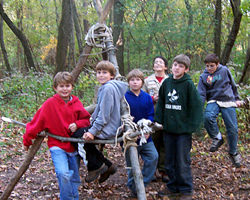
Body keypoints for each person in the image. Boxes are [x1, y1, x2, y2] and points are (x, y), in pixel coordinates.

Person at [23, 72, 91, 200]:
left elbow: (86, 120)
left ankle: (73, 197)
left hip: (73, 144)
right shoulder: (49, 104)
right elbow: (36, 123)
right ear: (55, 88)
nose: (65, 89)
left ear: (72, 87)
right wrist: (27, 140)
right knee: (63, 173)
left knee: (74, 176)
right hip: (57, 144)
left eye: (67, 86)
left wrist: (77, 124)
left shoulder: (76, 103)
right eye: (61, 86)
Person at [155, 54, 203, 200]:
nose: (177, 68)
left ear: (186, 69)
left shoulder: (188, 85)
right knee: (169, 160)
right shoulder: (167, 82)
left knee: (182, 161)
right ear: (171, 66)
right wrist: (159, 120)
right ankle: (173, 187)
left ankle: (186, 189)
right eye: (175, 64)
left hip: (183, 131)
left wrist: (191, 127)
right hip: (168, 129)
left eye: (181, 66)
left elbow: (196, 106)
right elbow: (162, 102)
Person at [72, 60, 128, 184]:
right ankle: (107, 166)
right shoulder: (107, 87)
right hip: (110, 126)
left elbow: (104, 115)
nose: (101, 75)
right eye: (98, 72)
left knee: (79, 137)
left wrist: (92, 131)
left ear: (112, 75)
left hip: (108, 128)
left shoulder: (108, 88)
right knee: (85, 139)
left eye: (104, 72)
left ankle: (95, 167)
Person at [197, 53, 242, 168]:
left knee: (232, 128)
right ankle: (217, 138)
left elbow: (233, 84)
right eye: (207, 66)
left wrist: (236, 99)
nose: (209, 68)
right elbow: (201, 94)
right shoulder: (203, 76)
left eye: (212, 66)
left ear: (217, 64)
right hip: (213, 100)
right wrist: (198, 107)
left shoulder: (225, 71)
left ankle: (233, 152)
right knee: (207, 116)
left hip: (227, 100)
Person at [124, 69, 158, 197]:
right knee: (132, 164)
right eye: (132, 80)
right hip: (130, 137)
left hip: (145, 136)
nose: (135, 82)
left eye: (137, 80)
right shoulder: (125, 97)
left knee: (153, 157)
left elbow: (150, 115)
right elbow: (122, 116)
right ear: (128, 82)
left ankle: (141, 185)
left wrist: (146, 130)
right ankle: (133, 187)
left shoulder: (147, 98)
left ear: (142, 82)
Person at [142, 55, 169, 182]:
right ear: (153, 66)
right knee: (153, 141)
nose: (158, 64)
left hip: (167, 115)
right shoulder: (147, 80)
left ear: (165, 66)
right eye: (156, 62)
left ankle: (163, 170)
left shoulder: (170, 79)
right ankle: (151, 170)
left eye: (161, 62)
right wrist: (153, 99)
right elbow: (141, 95)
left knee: (165, 142)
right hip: (152, 115)